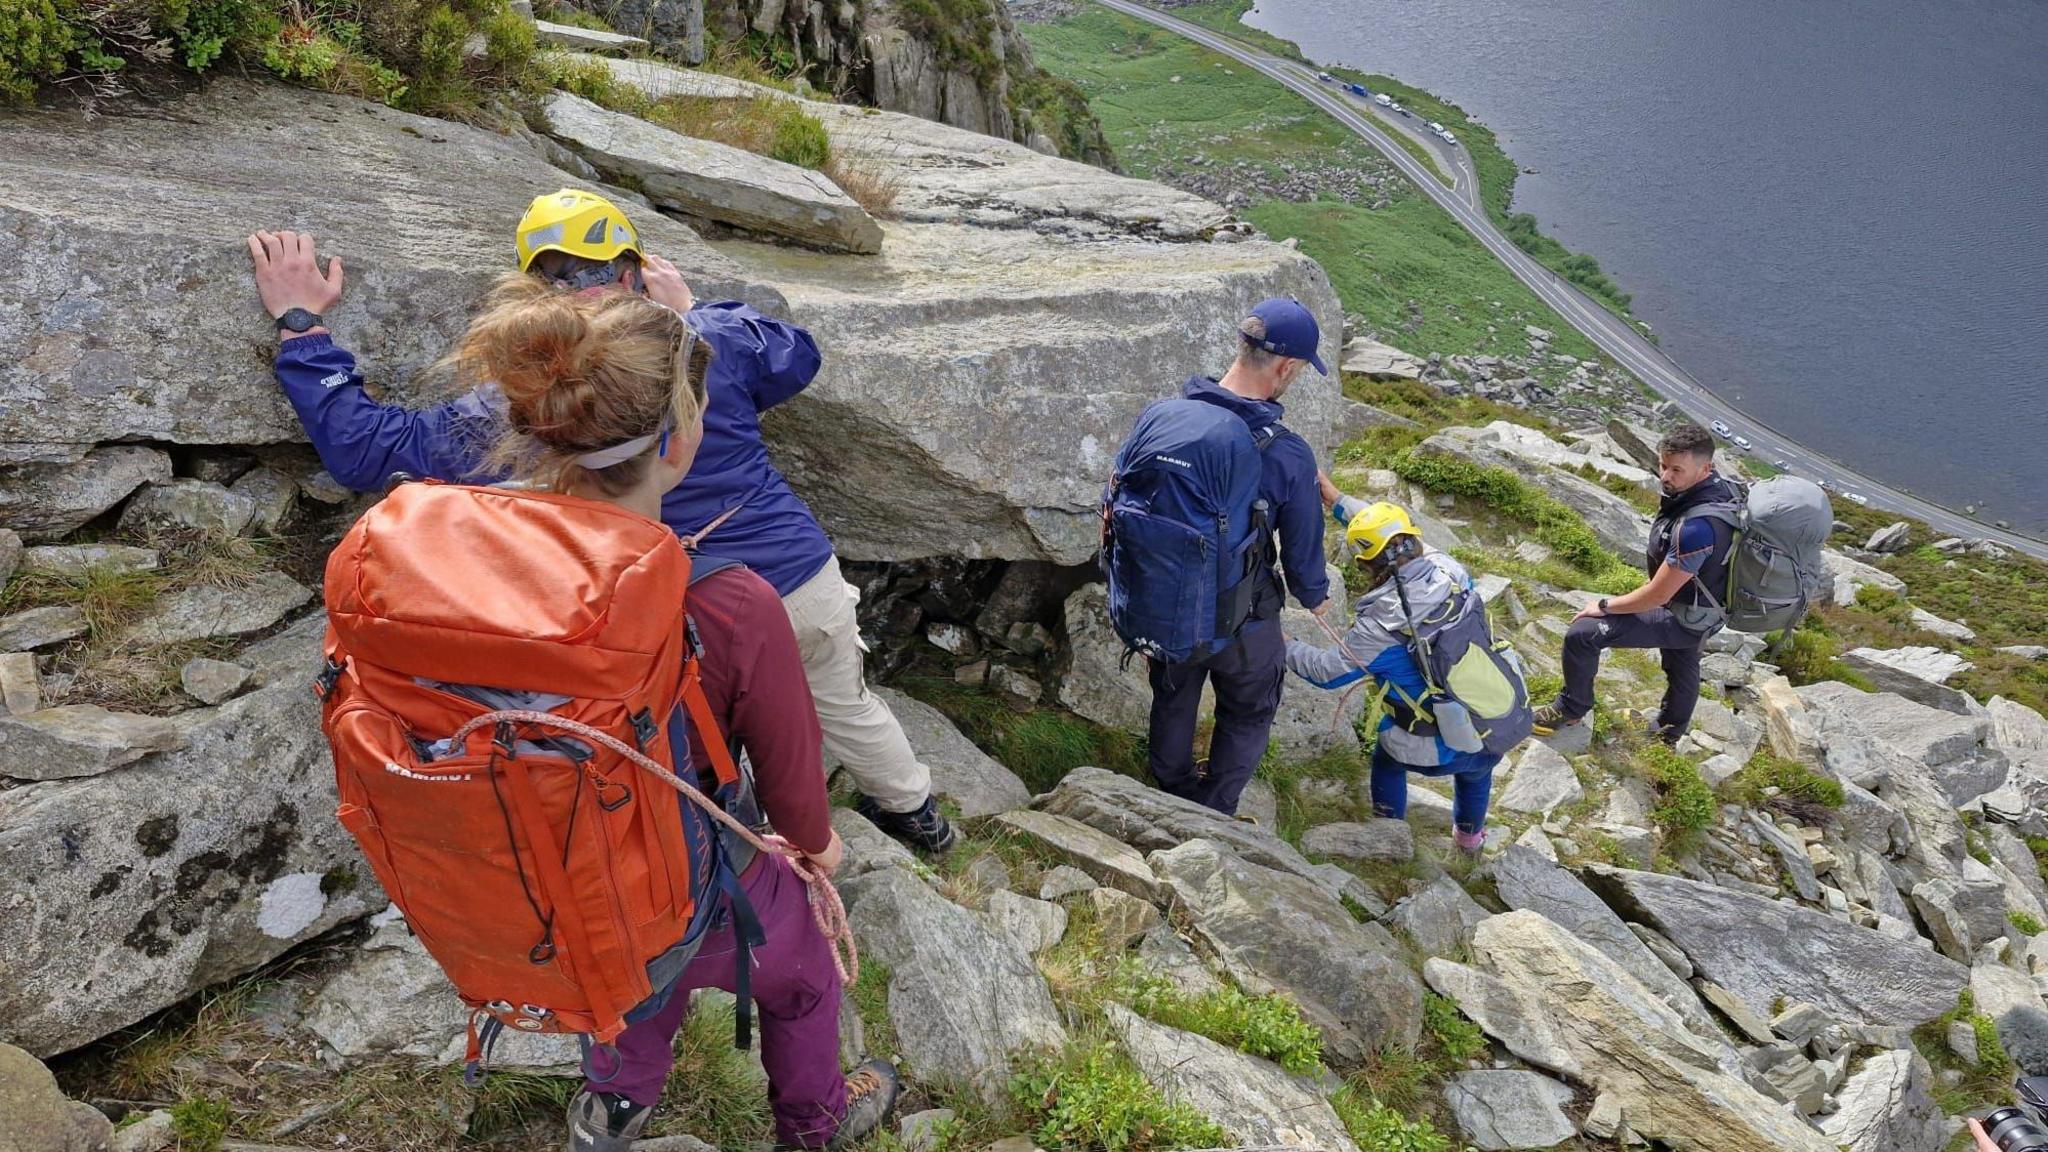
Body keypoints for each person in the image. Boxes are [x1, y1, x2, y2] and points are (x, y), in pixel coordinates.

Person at [310, 263, 897, 1150]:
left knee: (618, 964)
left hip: (537, 866)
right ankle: (814, 1124)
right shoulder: (729, 601)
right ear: (677, 441)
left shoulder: (455, 564)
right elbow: (790, 779)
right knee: (804, 966)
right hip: (687, 876)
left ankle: (614, 1109)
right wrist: (815, 848)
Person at [247, 190, 956, 854]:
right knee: (845, 706)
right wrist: (694, 309)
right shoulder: (705, 341)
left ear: (535, 292)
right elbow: (798, 355)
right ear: (633, 270)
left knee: (701, 742)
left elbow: (370, 448)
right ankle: (916, 816)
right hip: (797, 581)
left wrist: (303, 328)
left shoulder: (524, 403)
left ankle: (731, 856)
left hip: (662, 614)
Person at [1141, 298, 1332, 817]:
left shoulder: (1163, 418)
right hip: (1241, 618)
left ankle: (1171, 788)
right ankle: (1217, 806)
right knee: (1249, 710)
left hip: (1168, 601)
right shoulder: (1288, 454)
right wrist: (1316, 597)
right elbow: (1300, 559)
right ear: (1287, 367)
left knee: (1174, 695)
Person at [1284, 487, 1502, 853]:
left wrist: (1283, 642)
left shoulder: (1381, 626)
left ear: (1365, 564)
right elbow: (1390, 536)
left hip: (1438, 746)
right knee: (1477, 769)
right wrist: (1335, 498)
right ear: (1413, 540)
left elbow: (1326, 672)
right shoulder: (1449, 571)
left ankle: (1388, 836)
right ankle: (1469, 843)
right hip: (1494, 716)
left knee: (1387, 758)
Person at [1532, 423, 1737, 744]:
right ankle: (1666, 736)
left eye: (1676, 470)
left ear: (1705, 468)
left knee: (1583, 634)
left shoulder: (1698, 526)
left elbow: (1657, 595)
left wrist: (1602, 606)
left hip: (1685, 613)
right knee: (1681, 662)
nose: (1665, 477)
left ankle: (1570, 708)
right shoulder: (1717, 491)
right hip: (1705, 608)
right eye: (1663, 466)